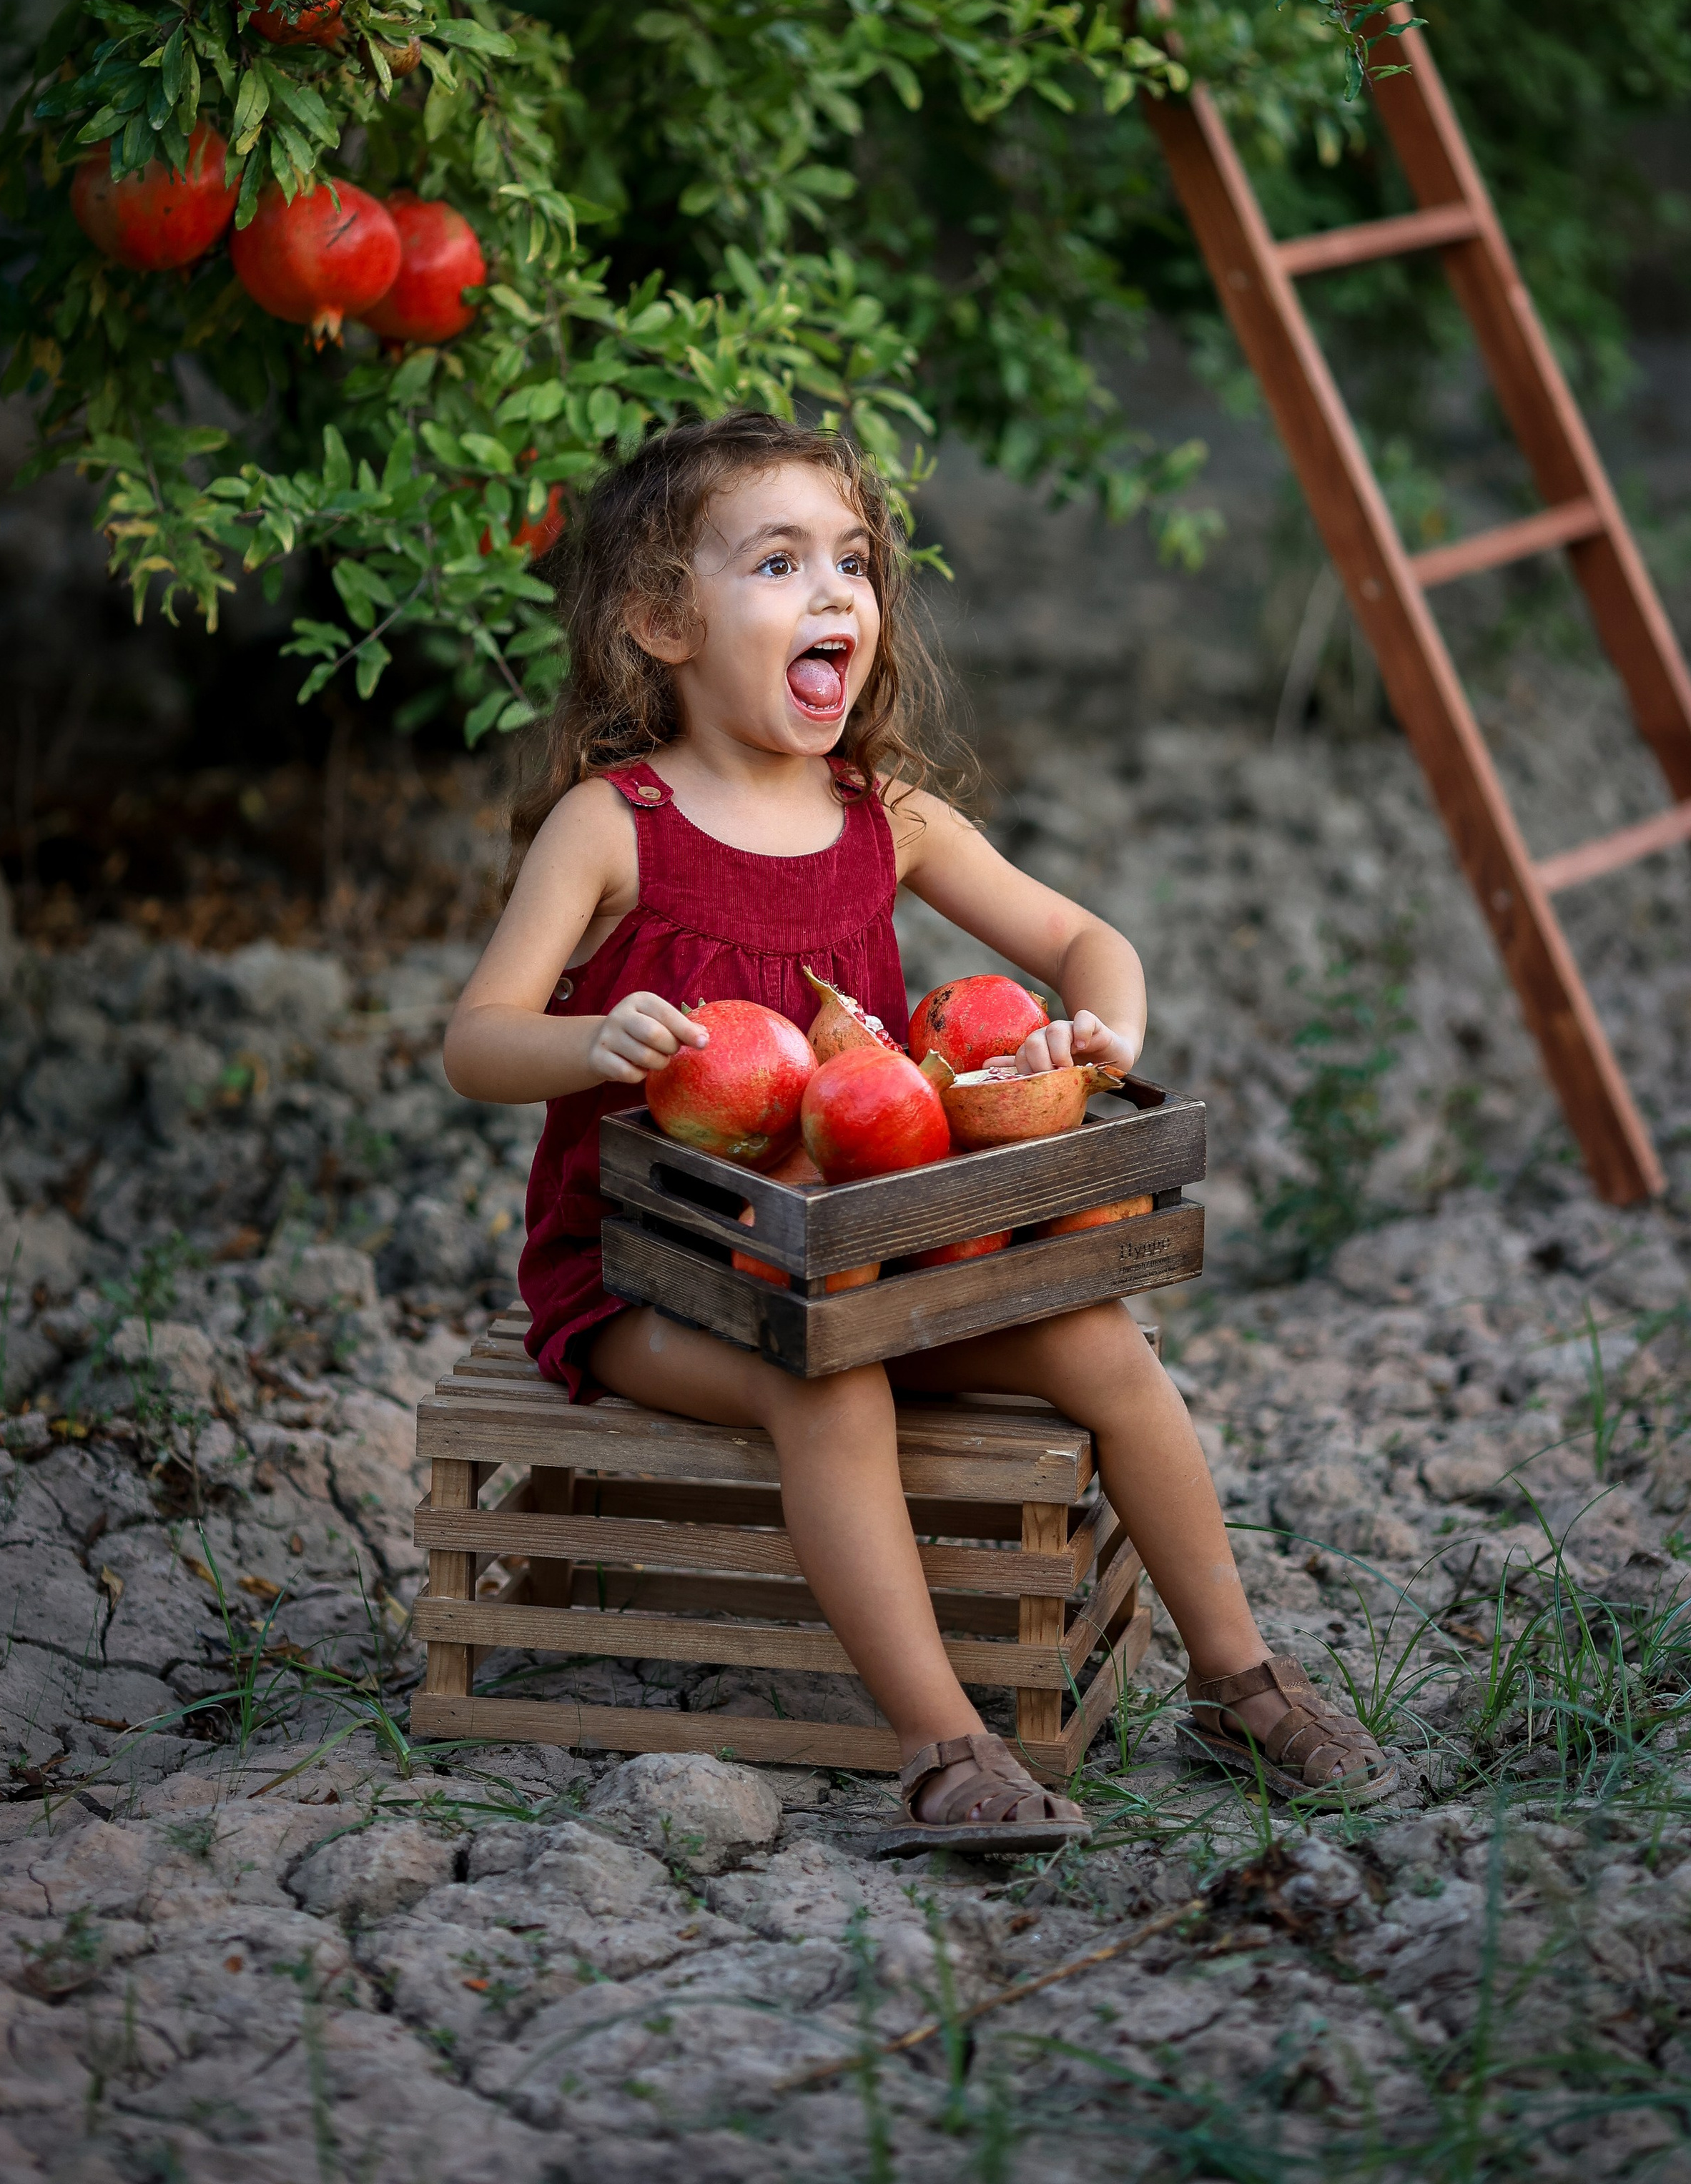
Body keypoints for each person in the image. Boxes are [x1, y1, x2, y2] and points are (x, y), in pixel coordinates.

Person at [445, 411, 1394, 1845]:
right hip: (655, 1278)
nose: (832, 594)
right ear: (658, 620)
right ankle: (940, 1746)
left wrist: (1099, 1034)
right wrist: (589, 1040)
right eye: (777, 562)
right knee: (825, 1385)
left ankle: (1235, 1680)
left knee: (1100, 1345)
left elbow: (1082, 938)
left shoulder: (885, 816)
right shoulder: (615, 823)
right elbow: (474, 1041)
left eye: (853, 563)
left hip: (868, 1259)